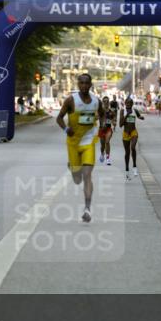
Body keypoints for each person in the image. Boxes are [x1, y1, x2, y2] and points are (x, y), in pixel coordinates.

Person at [56, 73, 99, 223]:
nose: (84, 86)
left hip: (89, 142)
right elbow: (59, 118)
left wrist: (102, 125)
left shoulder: (96, 100)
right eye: (81, 83)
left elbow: (104, 114)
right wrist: (66, 129)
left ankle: (87, 208)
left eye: (87, 83)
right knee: (77, 179)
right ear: (78, 84)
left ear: (91, 84)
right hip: (73, 143)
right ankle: (73, 168)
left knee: (87, 176)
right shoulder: (71, 100)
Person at [120, 97, 145, 179]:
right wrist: (127, 114)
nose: (129, 104)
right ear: (125, 103)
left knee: (133, 147)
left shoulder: (134, 110)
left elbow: (139, 116)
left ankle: (134, 165)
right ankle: (127, 169)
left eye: (130, 103)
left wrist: (141, 117)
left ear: (132, 104)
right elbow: (120, 124)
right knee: (127, 153)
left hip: (133, 132)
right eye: (127, 103)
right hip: (126, 133)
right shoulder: (122, 111)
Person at [97, 95, 115, 166]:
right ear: (103, 102)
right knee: (102, 145)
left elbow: (114, 120)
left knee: (107, 142)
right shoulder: (100, 111)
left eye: (107, 101)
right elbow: (96, 117)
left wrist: (114, 122)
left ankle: (108, 158)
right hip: (101, 129)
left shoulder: (111, 112)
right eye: (104, 101)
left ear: (109, 102)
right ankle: (102, 153)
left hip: (108, 129)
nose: (106, 102)